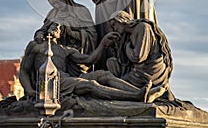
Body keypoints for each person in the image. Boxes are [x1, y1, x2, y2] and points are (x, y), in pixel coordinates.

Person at [19, 22, 164, 107]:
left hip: (65, 79)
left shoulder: (65, 50)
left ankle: (139, 92)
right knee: (91, 85)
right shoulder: (36, 46)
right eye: (54, 26)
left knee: (104, 74)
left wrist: (103, 44)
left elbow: (89, 60)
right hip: (53, 84)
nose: (57, 29)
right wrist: (31, 91)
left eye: (59, 28)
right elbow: (24, 71)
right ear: (47, 28)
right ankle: (136, 97)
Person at [105, 11, 174, 100]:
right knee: (112, 63)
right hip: (141, 70)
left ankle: (147, 93)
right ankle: (144, 93)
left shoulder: (143, 27)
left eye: (114, 25)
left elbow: (138, 57)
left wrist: (127, 47)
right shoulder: (129, 34)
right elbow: (124, 60)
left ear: (121, 20)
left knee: (115, 84)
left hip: (150, 72)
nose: (114, 29)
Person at [34, 0, 97, 76]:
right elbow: (43, 29)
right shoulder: (53, 13)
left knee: (77, 80)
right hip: (57, 54)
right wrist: (39, 34)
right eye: (53, 4)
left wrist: (71, 33)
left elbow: (92, 35)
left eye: (57, 3)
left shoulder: (81, 11)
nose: (56, 6)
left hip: (76, 53)